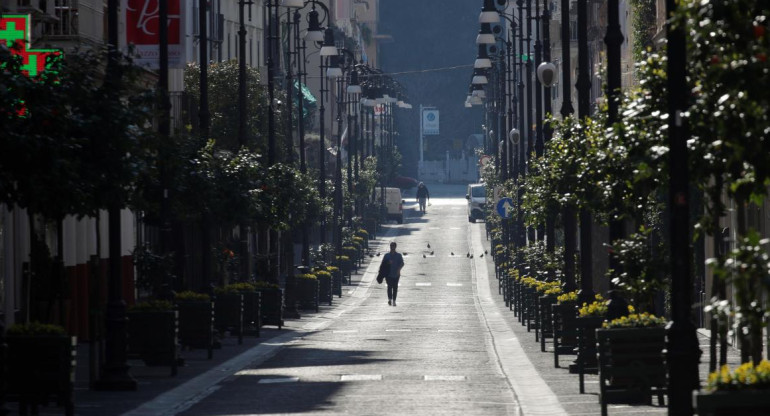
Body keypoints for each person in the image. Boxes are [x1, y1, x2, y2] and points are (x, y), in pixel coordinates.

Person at [381, 241, 404, 306]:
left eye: (393, 246)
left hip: (396, 274)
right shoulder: (387, 255)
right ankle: (389, 299)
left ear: (395, 247)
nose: (392, 247)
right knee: (389, 286)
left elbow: (402, 263)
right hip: (388, 274)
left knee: (395, 287)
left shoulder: (399, 255)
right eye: (391, 246)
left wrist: (399, 269)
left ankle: (394, 300)